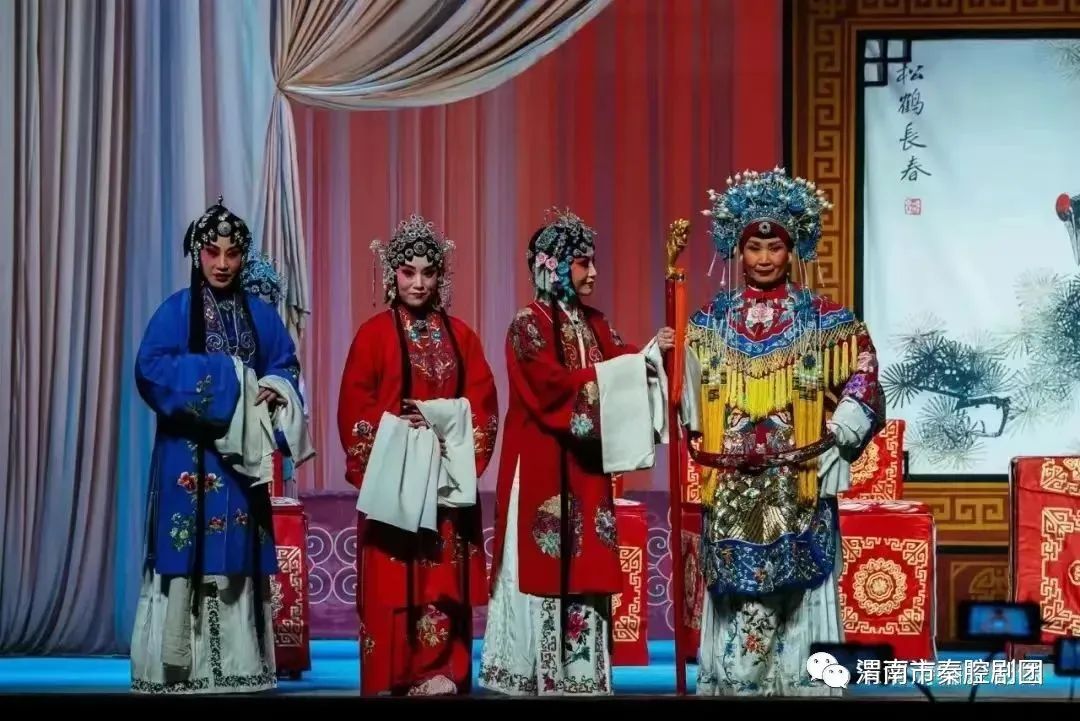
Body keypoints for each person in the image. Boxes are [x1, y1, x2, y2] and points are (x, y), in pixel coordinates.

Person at [682, 168, 885, 696]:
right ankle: (734, 681)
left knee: (800, 584)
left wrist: (839, 430)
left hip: (798, 477)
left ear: (793, 250)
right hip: (732, 479)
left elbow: (864, 374)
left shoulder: (827, 320)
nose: (765, 258)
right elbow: (688, 396)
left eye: (775, 247)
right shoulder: (709, 321)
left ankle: (800, 681)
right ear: (738, 249)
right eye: (754, 246)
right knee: (737, 584)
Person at [479, 208, 675, 696]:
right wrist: (630, 367)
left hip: (585, 467)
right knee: (544, 553)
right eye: (583, 262)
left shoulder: (595, 324)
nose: (593, 272)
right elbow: (550, 389)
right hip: (541, 460)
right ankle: (532, 671)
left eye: (592, 262)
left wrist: (653, 355)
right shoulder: (526, 325)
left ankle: (583, 672)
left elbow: (624, 367)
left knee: (586, 558)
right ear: (553, 266)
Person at [130, 198, 307, 694]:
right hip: (187, 453)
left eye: (232, 253)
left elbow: (286, 364)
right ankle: (179, 665)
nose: (223, 263)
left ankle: (239, 667)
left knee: (236, 553)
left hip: (239, 465)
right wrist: (227, 378)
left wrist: (275, 386)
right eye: (213, 252)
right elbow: (150, 369)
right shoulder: (176, 311)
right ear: (197, 254)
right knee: (186, 547)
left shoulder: (260, 315)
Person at [337, 214, 500, 696]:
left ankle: (441, 671)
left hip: (445, 479)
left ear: (440, 276)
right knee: (393, 576)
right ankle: (395, 674)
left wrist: (446, 426)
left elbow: (484, 403)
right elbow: (354, 405)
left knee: (442, 581)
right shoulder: (372, 335)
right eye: (408, 272)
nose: (419, 283)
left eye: (428, 273)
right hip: (395, 477)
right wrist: (399, 432)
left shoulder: (463, 337)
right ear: (393, 274)